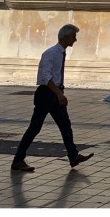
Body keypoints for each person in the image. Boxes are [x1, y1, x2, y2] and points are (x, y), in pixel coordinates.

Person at [10, 24, 94, 172]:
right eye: (73, 36)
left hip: (54, 93)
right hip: (47, 94)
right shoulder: (50, 53)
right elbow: (45, 76)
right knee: (35, 128)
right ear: (66, 37)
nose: (75, 40)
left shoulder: (60, 53)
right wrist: (58, 93)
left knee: (65, 125)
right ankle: (18, 160)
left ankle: (73, 156)